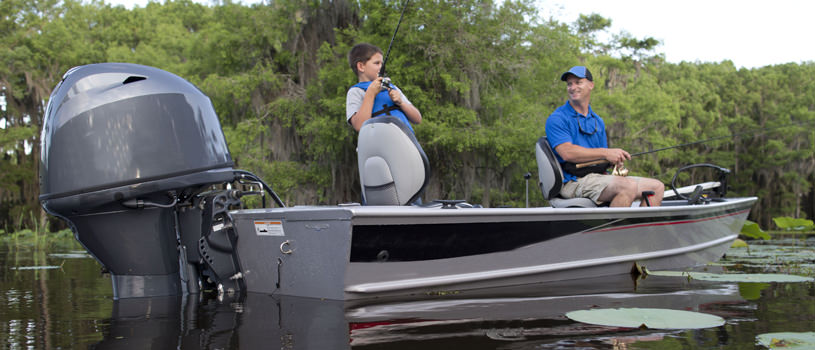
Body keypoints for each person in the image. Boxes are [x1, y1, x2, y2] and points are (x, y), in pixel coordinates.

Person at [545, 65, 664, 207]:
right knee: (627, 186)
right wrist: (607, 153)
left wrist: (614, 160)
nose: (572, 87)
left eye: (578, 82)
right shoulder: (557, 118)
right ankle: (616, 229)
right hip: (573, 182)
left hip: (598, 178)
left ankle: (639, 228)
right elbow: (567, 153)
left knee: (656, 187)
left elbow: (601, 157)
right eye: (569, 84)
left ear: (591, 85)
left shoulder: (597, 121)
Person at [346, 43, 422, 132]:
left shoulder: (392, 88)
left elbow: (418, 119)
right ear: (361, 66)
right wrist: (370, 94)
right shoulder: (355, 92)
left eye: (382, 64)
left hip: (405, 140)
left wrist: (401, 103)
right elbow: (359, 126)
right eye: (377, 63)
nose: (381, 67)